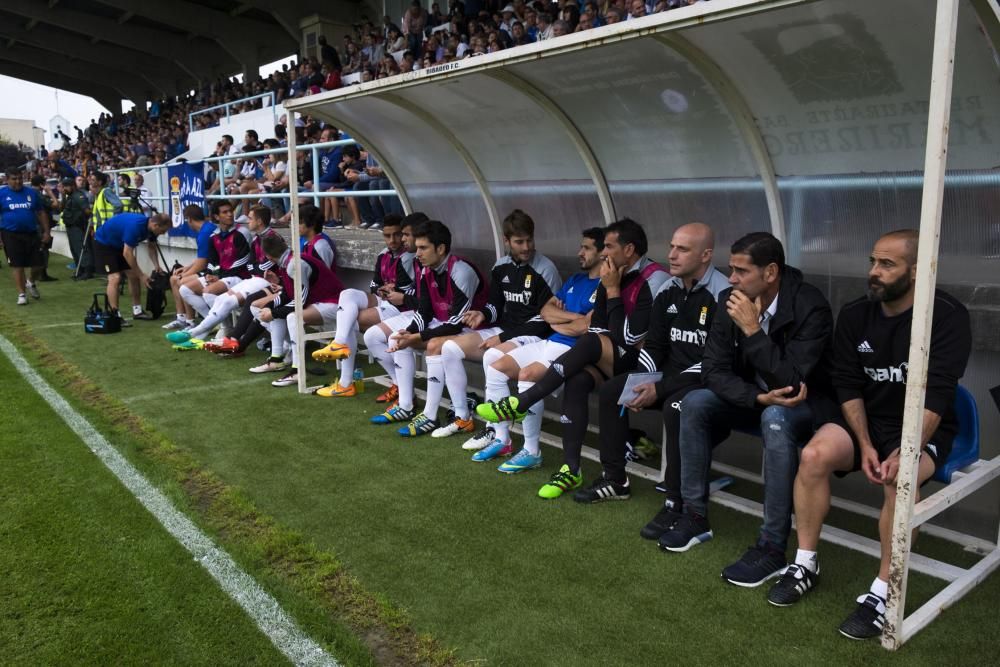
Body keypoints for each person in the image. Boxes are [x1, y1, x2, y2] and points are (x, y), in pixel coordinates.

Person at [766, 230, 971, 640]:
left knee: (900, 479)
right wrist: (863, 444)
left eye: (887, 264)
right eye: (873, 262)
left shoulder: (946, 315)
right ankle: (805, 563)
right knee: (813, 456)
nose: (874, 272)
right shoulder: (857, 313)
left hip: (919, 425)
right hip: (868, 422)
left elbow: (940, 391)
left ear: (917, 271)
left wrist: (904, 451)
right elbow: (847, 383)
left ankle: (883, 591)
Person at [657, 232, 834, 590]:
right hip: (754, 399)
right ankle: (694, 515)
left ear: (770, 273)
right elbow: (713, 370)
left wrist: (753, 330)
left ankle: (771, 546)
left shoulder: (809, 305)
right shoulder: (730, 299)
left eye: (741, 271)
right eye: (731, 269)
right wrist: (754, 397)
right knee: (694, 402)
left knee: (776, 419)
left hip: (801, 407)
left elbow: (794, 383)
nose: (732, 279)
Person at [475, 219, 670, 474]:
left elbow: (627, 337)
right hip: (609, 354)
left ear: (629, 249)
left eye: (608, 246)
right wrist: (593, 308)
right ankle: (571, 469)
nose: (603, 253)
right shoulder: (610, 273)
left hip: (645, 366)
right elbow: (598, 326)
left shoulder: (652, 279)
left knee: (586, 343)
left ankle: (523, 403)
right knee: (577, 380)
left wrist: (611, 290)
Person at [578, 223, 728, 510]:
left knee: (674, 406)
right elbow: (655, 345)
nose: (672, 255)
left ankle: (675, 501)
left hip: (704, 381)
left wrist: (658, 387)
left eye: (682, 249)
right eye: (672, 246)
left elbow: (713, 361)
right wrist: (642, 381)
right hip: (668, 377)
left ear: (706, 255)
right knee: (612, 391)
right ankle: (615, 479)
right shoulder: (669, 289)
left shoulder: (722, 294)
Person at [411, 209, 561, 439]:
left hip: (534, 336)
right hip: (505, 330)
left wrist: (502, 337)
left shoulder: (546, 269)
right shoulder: (501, 267)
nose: (526, 247)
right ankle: (462, 417)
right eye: (519, 241)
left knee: (492, 356)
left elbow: (545, 320)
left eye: (529, 240)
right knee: (449, 348)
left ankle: (495, 431)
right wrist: (482, 314)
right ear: (506, 241)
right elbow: (494, 307)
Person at [467, 228, 604, 478]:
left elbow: (587, 327)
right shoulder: (575, 280)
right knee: (496, 365)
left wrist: (564, 320)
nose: (579, 252)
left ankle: (532, 452)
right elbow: (546, 312)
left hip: (574, 349)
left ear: (603, 253)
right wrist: (571, 318)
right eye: (581, 246)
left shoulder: (605, 286)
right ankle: (502, 439)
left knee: (527, 375)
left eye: (586, 248)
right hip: (551, 339)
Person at [384, 219, 489, 436]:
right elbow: (424, 312)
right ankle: (405, 405)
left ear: (440, 249)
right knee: (397, 337)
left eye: (423, 248)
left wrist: (418, 336)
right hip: (447, 324)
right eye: (418, 247)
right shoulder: (426, 269)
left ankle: (430, 416)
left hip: (479, 327)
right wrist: (410, 332)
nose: (418, 253)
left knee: (433, 344)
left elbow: (457, 323)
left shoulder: (461, 271)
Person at [311, 214, 416, 398]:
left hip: (403, 308)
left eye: (397, 235)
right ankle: (339, 344)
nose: (392, 240)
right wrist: (382, 289)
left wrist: (393, 290)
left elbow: (408, 290)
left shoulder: (410, 257)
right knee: (347, 294)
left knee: (350, 321)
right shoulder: (383, 254)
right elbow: (374, 285)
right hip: (386, 300)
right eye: (387, 235)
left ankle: (347, 382)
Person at [249, 234, 345, 386]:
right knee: (277, 313)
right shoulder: (287, 261)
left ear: (268, 256)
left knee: (292, 317)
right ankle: (276, 359)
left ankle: (297, 370)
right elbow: (288, 294)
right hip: (320, 302)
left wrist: (273, 312)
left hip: (336, 303)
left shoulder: (294, 264)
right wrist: (269, 307)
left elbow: (300, 301)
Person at [93, 212, 171, 321]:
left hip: (121, 244)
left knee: (133, 276)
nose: (163, 233)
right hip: (105, 244)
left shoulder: (153, 229)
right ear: (156, 225)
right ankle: (115, 315)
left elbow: (152, 247)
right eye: (163, 231)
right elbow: (127, 253)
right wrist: (142, 275)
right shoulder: (135, 227)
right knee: (115, 278)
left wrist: (157, 265)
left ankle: (137, 311)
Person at [0, 168, 51, 305]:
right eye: (14, 179)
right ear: (7, 180)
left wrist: (47, 232)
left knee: (39, 264)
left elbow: (41, 212)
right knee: (18, 265)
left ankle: (31, 282)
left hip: (31, 233)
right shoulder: (1, 194)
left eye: (20, 178)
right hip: (10, 234)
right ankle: (22, 294)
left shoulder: (31, 193)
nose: (18, 181)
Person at [162, 206, 216, 331]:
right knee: (174, 278)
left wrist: (185, 275)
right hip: (209, 267)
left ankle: (192, 322)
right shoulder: (206, 228)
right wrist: (187, 268)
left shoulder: (205, 232)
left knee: (181, 281)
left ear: (189, 219)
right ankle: (182, 318)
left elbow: (202, 264)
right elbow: (202, 257)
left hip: (212, 270)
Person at [60, 177, 92, 279]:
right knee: (74, 249)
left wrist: (89, 221)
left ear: (72, 186)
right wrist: (62, 195)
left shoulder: (78, 196)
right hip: (71, 226)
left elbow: (87, 210)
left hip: (77, 227)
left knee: (81, 248)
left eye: (66, 186)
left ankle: (87, 271)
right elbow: (62, 207)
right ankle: (80, 269)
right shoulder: (69, 196)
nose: (64, 188)